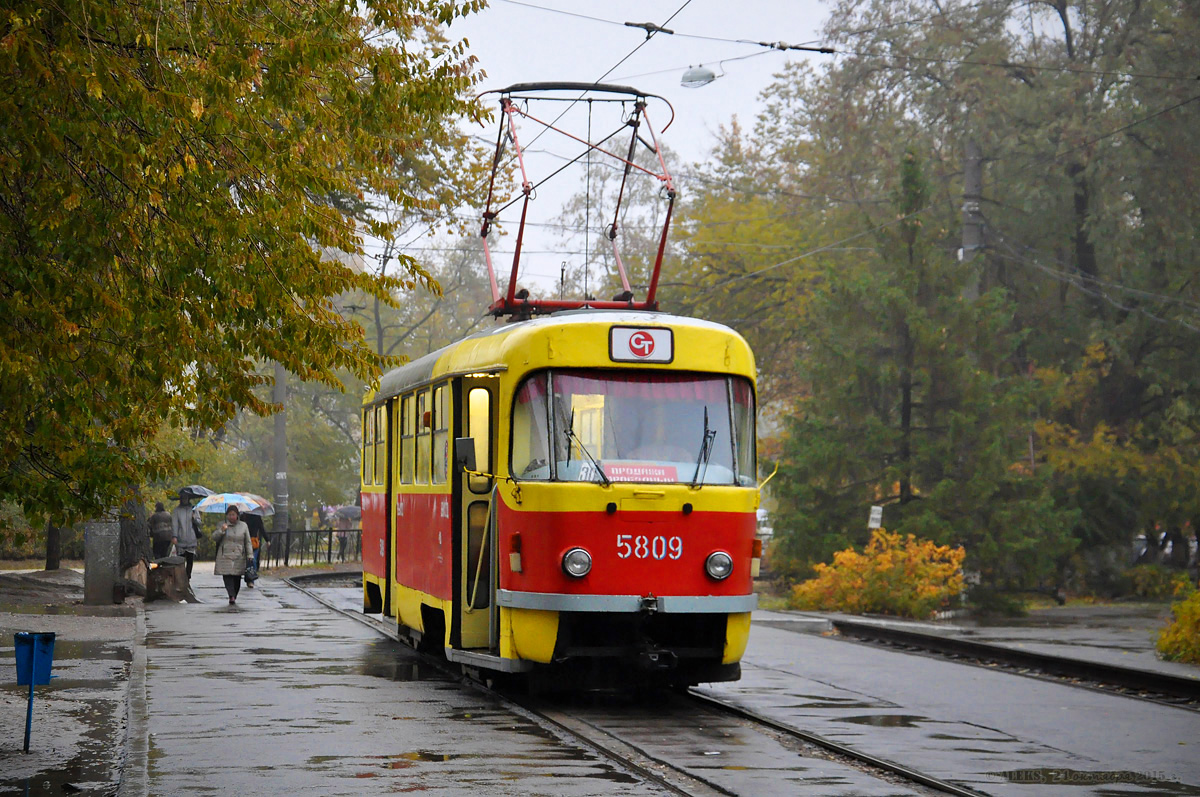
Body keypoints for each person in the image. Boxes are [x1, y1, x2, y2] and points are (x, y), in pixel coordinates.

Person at [213, 506, 253, 605]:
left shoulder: (243, 526)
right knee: (227, 576)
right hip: (225, 555)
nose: (231, 517)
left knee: (237, 577)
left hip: (239, 555)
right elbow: (214, 538)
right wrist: (221, 530)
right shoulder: (222, 524)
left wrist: (250, 554)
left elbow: (247, 541)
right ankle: (231, 595)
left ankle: (234, 594)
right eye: (230, 515)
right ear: (227, 515)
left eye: (233, 515)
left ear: (237, 515)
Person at [171, 494, 199, 578]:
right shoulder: (177, 510)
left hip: (191, 538)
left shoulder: (193, 509)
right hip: (181, 538)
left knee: (190, 560)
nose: (184, 499)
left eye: (186, 498)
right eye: (183, 498)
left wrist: (194, 518)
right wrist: (174, 536)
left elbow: (199, 522)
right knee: (180, 561)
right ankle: (182, 577)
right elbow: (175, 524)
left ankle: (188, 576)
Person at [244, 513, 266, 587]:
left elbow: (261, 528)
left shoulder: (257, 517)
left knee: (253, 560)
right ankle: (248, 578)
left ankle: (251, 579)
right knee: (247, 562)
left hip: (253, 542)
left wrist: (267, 539)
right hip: (244, 541)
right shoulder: (243, 516)